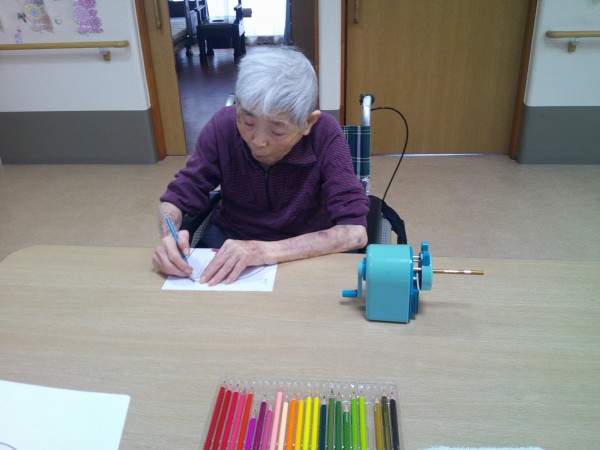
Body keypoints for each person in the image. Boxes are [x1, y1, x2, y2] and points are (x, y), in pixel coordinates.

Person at [153, 46, 369, 286]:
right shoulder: (222, 126)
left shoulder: (326, 134)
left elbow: (355, 232)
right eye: (247, 123)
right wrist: (169, 235)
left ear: (308, 122)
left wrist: (263, 251)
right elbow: (179, 195)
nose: (258, 141)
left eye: (277, 131)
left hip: (305, 249)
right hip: (230, 239)